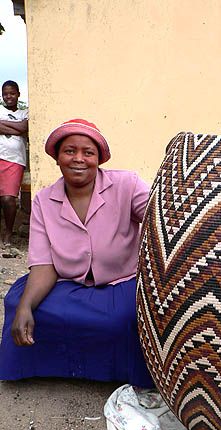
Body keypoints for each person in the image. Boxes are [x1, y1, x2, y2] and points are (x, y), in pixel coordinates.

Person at [0, 118, 154, 386]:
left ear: (99, 159)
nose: (78, 159)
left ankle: (122, 371)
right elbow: (44, 263)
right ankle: (48, 367)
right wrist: (26, 305)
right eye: (69, 151)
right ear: (57, 158)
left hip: (122, 281)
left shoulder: (126, 185)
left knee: (124, 318)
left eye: (88, 152)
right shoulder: (44, 200)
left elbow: (160, 220)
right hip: (67, 282)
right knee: (18, 305)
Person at [0, 80, 28, 246]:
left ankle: (8, 234)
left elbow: (26, 127)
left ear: (18, 94)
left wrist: (4, 125)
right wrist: (18, 129)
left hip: (15, 160)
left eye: (12, 93)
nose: (8, 96)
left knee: (8, 199)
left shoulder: (25, 113)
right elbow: (22, 129)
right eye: (5, 93)